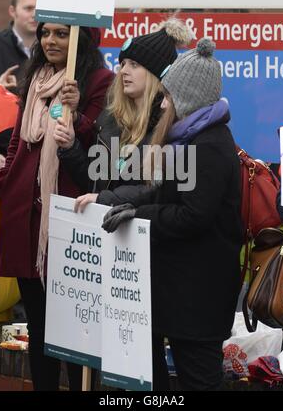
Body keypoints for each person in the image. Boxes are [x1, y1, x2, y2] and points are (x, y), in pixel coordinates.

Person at [98, 38, 243, 390]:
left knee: (199, 380)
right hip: (184, 293)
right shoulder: (192, 139)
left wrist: (140, 215)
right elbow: (167, 195)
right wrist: (132, 205)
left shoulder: (207, 145)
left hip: (199, 296)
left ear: (188, 98)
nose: (163, 103)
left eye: (169, 95)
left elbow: (193, 215)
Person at [0, 22, 113, 391]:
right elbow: (18, 139)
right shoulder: (37, 78)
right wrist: (8, 179)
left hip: (68, 221)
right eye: (46, 32)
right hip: (26, 220)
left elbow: (102, 151)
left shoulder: (99, 82)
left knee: (77, 329)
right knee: (39, 326)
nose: (50, 40)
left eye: (62, 34)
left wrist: (77, 115)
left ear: (83, 38)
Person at [54, 18, 192, 206]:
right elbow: (94, 183)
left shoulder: (172, 126)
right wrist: (71, 147)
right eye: (123, 63)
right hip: (105, 230)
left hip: (146, 232)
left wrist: (106, 199)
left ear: (156, 75)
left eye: (134, 65)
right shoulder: (110, 118)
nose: (123, 71)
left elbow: (158, 191)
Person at [0, 0, 38, 85]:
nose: (35, 14)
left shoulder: (51, 47)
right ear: (12, 11)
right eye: (28, 8)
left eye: (39, 9)